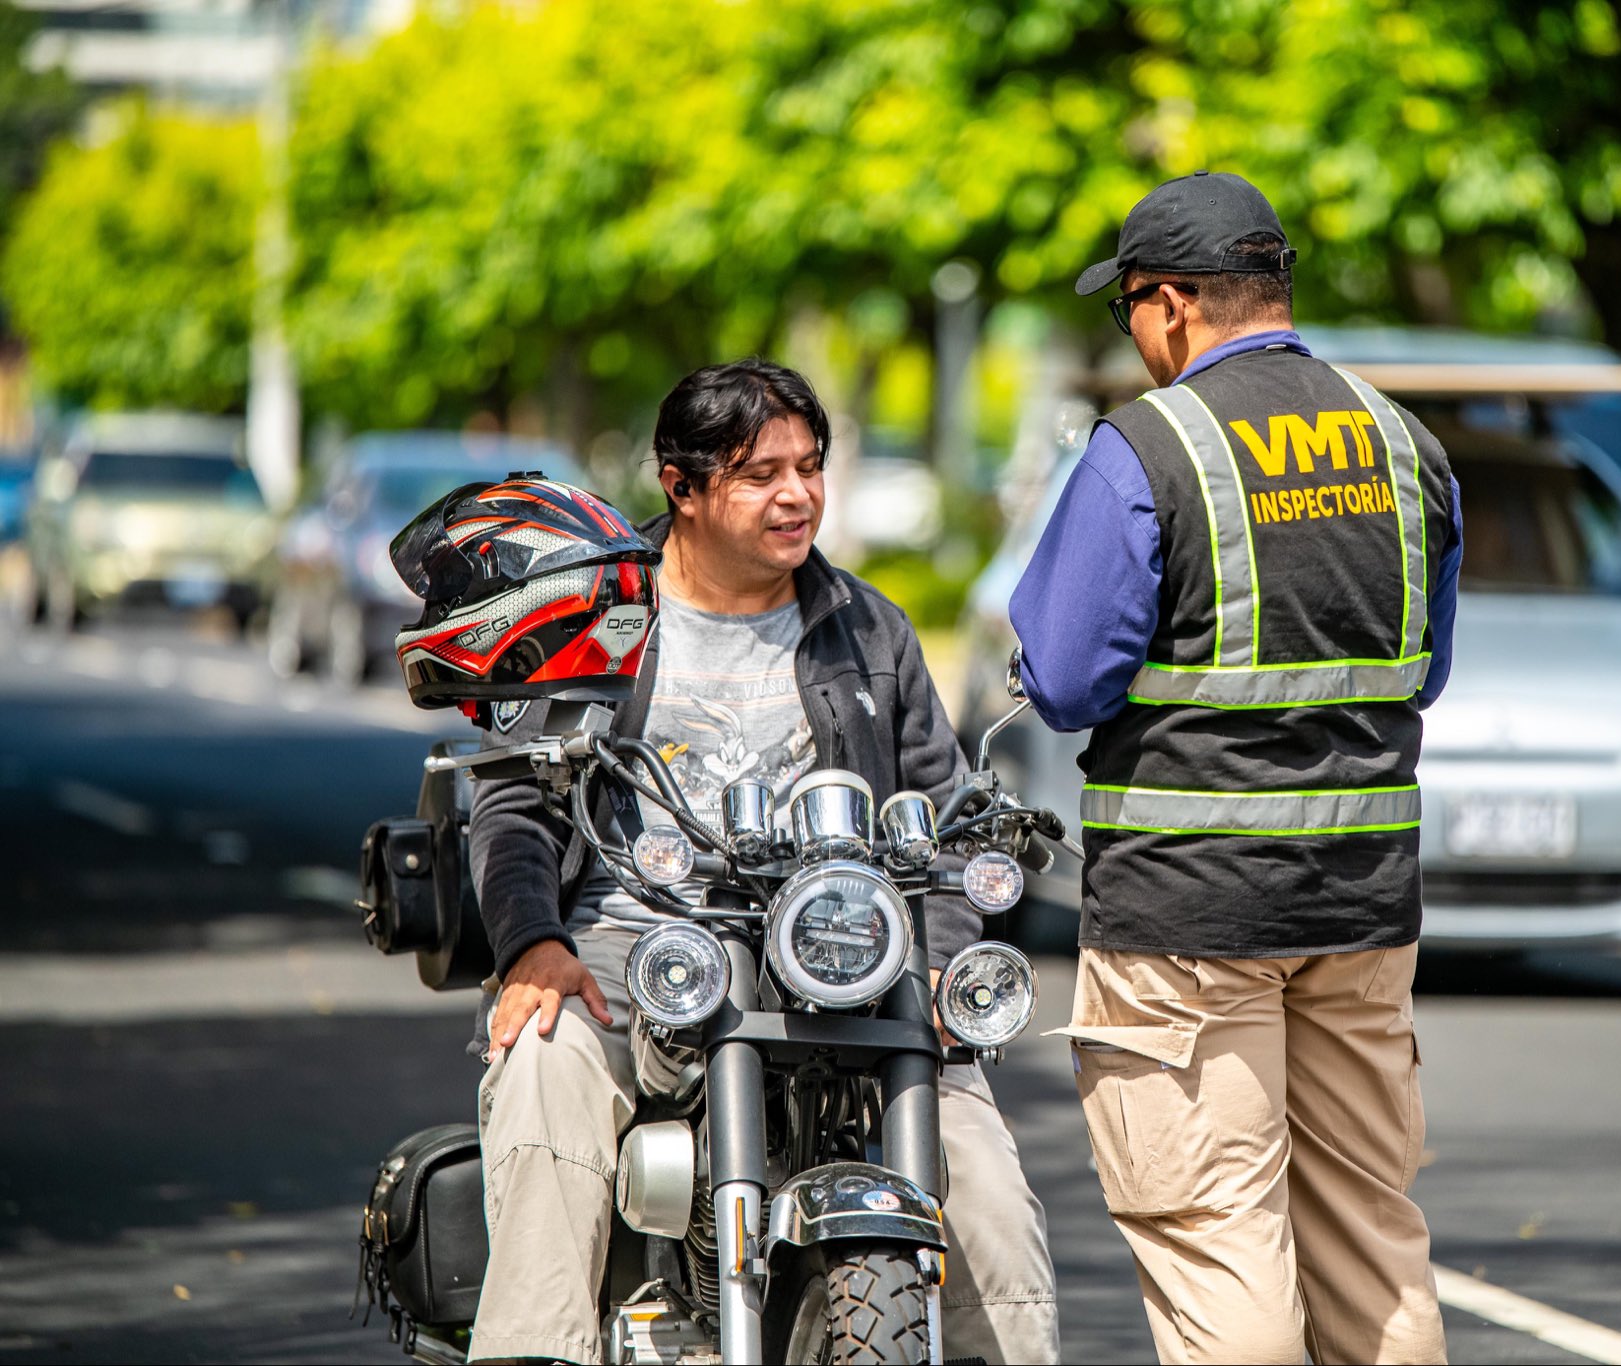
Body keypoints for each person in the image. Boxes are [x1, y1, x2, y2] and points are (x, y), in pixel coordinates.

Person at [465, 358, 1059, 1364]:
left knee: (982, 1170)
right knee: (542, 1071)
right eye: (758, 473)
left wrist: (939, 963)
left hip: (837, 961)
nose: (796, 494)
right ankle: (535, 1349)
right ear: (680, 487)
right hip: (626, 953)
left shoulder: (868, 627)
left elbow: (947, 818)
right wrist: (533, 942)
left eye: (810, 465)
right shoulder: (594, 622)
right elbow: (514, 793)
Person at [1010, 171, 1463, 1365]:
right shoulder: (1402, 442)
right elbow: (1421, 671)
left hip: (1186, 912)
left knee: (1219, 1232)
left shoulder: (1148, 449)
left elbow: (1061, 678)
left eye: (1128, 312)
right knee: (1371, 1235)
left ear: (1167, 306)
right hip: (1361, 906)